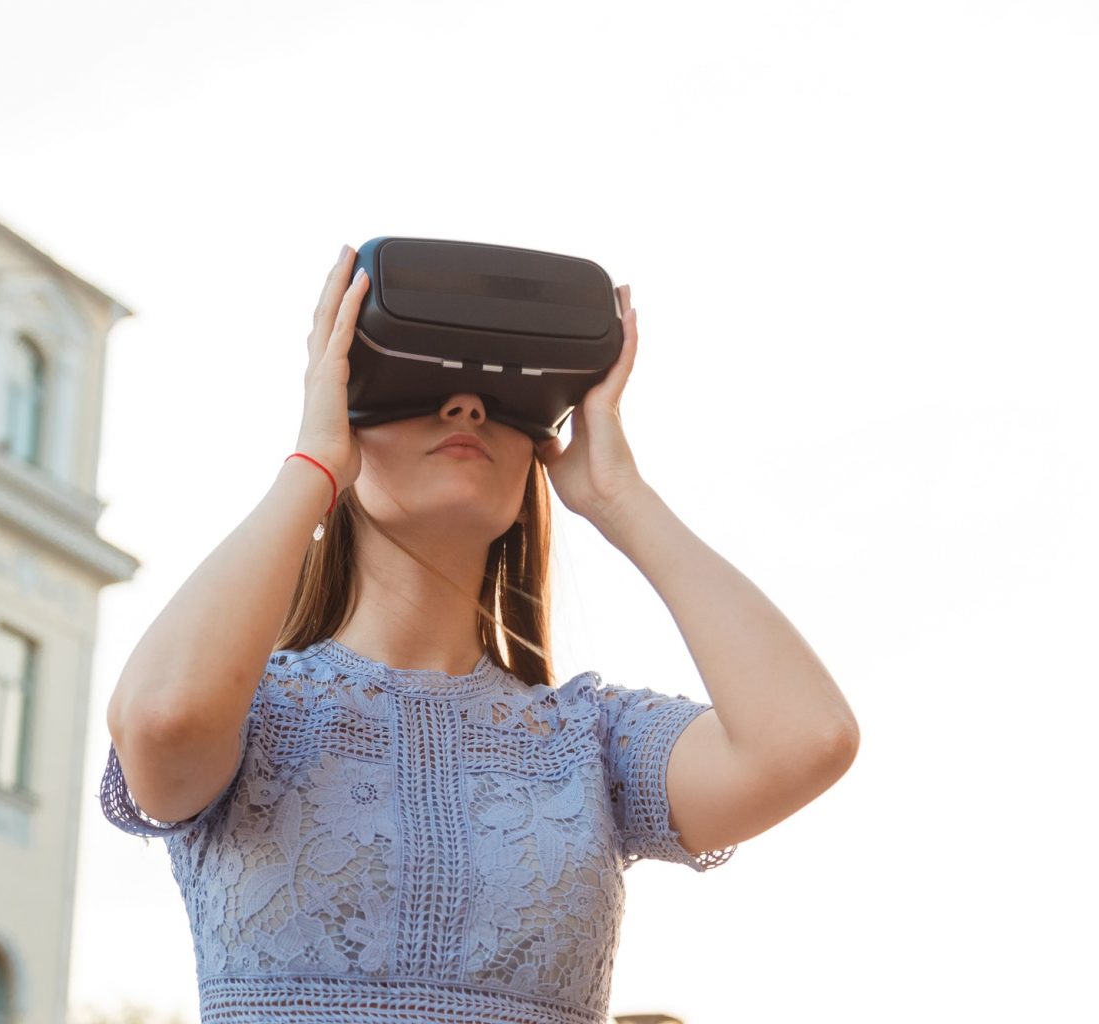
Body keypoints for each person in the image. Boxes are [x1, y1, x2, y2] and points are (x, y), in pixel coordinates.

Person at [101, 243, 860, 1023]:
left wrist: (620, 498)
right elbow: (162, 720)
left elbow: (807, 739)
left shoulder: (589, 742)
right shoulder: (256, 715)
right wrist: (314, 463)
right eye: (422, 385)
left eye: (498, 395)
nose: (465, 405)